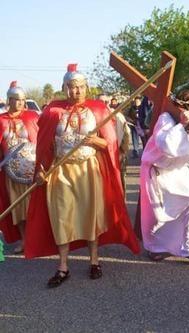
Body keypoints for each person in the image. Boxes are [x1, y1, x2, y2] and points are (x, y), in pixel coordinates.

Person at [25, 64, 140, 287]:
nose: (75, 91)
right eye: (71, 87)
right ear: (64, 88)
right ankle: (63, 266)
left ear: (86, 87)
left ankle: (94, 261)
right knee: (62, 217)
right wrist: (40, 168)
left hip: (89, 170)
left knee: (91, 215)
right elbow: (44, 146)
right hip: (61, 171)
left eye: (79, 87)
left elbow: (110, 143)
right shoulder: (52, 111)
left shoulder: (98, 110)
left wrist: (95, 141)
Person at [139, 90, 189, 264]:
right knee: (157, 214)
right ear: (181, 108)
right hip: (158, 170)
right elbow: (166, 145)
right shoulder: (165, 119)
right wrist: (182, 126)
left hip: (179, 170)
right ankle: (155, 248)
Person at [0, 81, 39, 254]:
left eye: (23, 99)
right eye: (17, 99)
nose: (21, 102)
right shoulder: (1, 120)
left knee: (34, 205)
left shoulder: (31, 117)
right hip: (11, 171)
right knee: (17, 207)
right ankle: (24, 239)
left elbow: (41, 139)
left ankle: (37, 238)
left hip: (31, 169)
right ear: (9, 100)